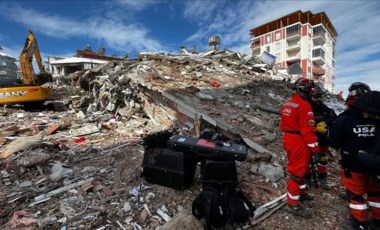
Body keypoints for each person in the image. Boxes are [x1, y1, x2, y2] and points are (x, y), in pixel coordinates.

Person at [328, 91, 380, 230]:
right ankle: (378, 221)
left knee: (356, 196)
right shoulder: (377, 119)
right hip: (375, 167)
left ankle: (360, 224)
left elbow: (334, 141)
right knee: (376, 194)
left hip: (353, 165)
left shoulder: (344, 119)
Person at [280, 78, 321, 218]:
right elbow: (308, 131)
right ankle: (292, 204)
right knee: (297, 172)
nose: (311, 93)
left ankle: (301, 193)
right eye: (310, 90)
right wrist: (316, 149)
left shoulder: (287, 103)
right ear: (305, 91)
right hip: (299, 140)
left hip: (289, 138)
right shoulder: (304, 106)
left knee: (303, 168)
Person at [309, 86, 337, 190]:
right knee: (307, 160)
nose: (318, 99)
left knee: (322, 159)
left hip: (323, 139)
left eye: (320, 96)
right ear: (311, 96)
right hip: (310, 138)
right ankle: (308, 179)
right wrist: (315, 122)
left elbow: (334, 117)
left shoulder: (324, 108)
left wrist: (326, 122)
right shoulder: (307, 107)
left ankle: (323, 178)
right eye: (316, 97)